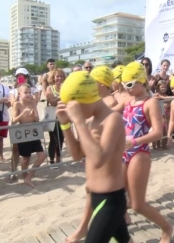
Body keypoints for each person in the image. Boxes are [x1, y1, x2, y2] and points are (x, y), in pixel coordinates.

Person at [56, 71, 132, 243]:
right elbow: (76, 154)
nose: (76, 113)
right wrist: (65, 124)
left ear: (85, 100)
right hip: (96, 197)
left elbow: (98, 160)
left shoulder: (112, 119)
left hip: (111, 200)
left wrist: (79, 122)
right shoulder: (92, 122)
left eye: (75, 108)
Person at [119, 61, 173, 242]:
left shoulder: (150, 103)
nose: (125, 88)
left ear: (141, 82)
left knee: (138, 204)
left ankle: (167, 228)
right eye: (123, 84)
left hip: (139, 153)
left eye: (129, 84)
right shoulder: (129, 100)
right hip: (124, 152)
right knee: (118, 197)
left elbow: (158, 132)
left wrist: (133, 141)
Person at [11, 84, 45, 188]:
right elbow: (13, 121)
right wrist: (22, 114)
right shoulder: (17, 104)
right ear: (19, 93)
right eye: (25, 92)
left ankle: (29, 176)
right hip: (23, 134)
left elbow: (37, 119)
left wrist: (33, 116)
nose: (28, 95)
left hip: (33, 132)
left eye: (30, 92)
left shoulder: (33, 103)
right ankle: (25, 176)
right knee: (25, 159)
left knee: (42, 156)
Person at [46, 69, 66, 165]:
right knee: (53, 139)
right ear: (53, 78)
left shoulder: (66, 87)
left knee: (61, 138)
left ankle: (59, 159)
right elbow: (52, 101)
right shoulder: (50, 88)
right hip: (53, 116)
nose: (59, 78)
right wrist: (62, 95)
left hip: (63, 115)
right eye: (57, 76)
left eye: (61, 76)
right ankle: (52, 160)